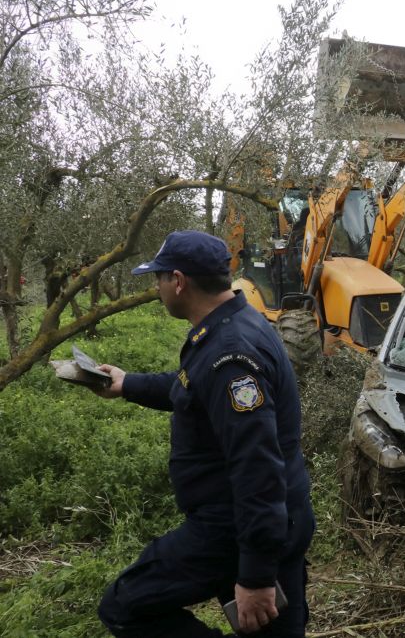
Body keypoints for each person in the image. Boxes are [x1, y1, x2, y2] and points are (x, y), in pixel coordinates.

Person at [94, 230, 315, 637]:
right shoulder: (232, 325)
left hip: (234, 528)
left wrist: (256, 577)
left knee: (126, 605)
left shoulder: (231, 355)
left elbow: (257, 470)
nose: (157, 287)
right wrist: (128, 384)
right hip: (264, 523)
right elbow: (191, 388)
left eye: (158, 278)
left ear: (177, 281)